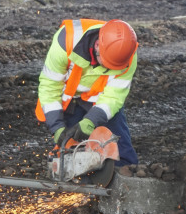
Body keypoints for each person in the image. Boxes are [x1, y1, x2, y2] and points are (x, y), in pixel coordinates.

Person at [36, 19, 139, 166]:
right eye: (107, 64)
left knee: (121, 149)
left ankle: (125, 174)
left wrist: (91, 120)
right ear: (97, 45)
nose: (110, 69)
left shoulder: (127, 55)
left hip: (101, 100)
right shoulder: (66, 41)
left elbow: (114, 96)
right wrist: (56, 127)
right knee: (70, 150)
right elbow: (49, 86)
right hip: (69, 99)